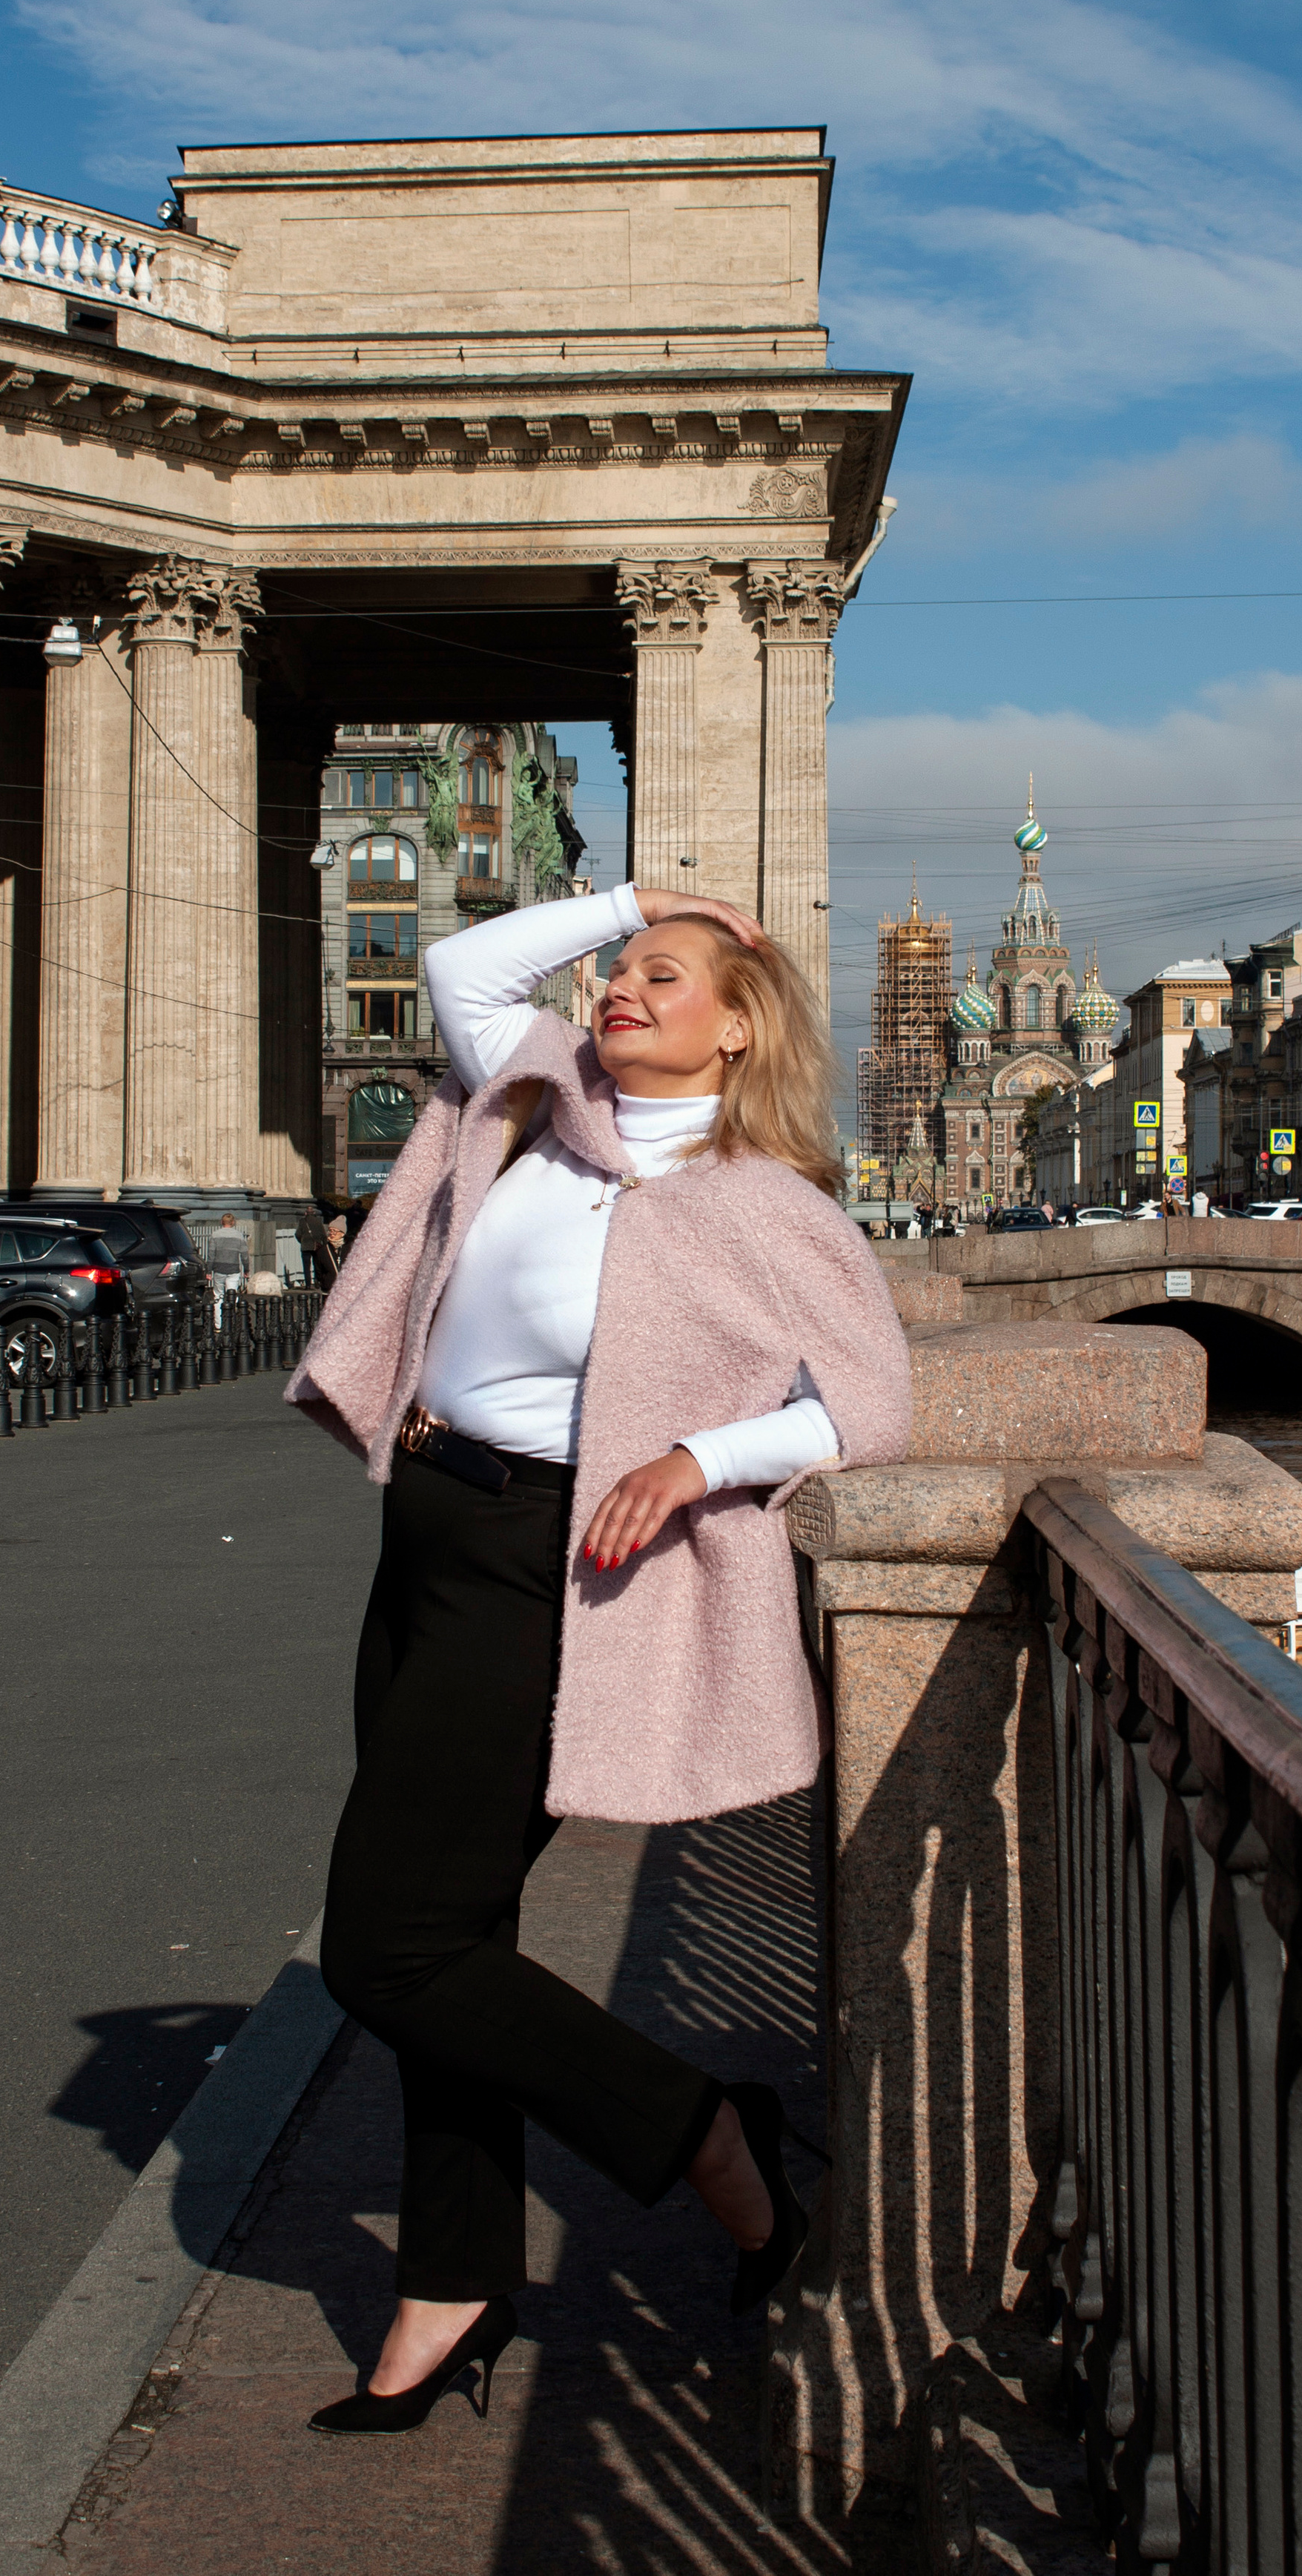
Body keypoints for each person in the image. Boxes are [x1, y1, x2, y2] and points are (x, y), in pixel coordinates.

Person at [287, 883, 911, 2436]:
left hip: (550, 1564)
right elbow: (459, 961)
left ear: (741, 1023)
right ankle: (452, 2279)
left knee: (389, 1947)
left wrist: (702, 1455)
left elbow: (867, 1402)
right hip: (426, 1529)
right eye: (617, 975)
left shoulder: (764, 1203)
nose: (621, 990)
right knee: (456, 1930)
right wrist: (642, 898)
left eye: (662, 978)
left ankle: (707, 2138)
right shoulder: (537, 1105)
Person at [205, 1211, 248, 1308]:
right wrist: (247, 1270)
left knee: (218, 1296)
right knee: (232, 1295)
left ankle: (218, 1323)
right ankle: (231, 1320)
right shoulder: (239, 1236)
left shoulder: (215, 1235)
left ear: (222, 1222)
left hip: (219, 1269)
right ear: (233, 1222)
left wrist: (208, 1271)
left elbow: (211, 1255)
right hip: (233, 1269)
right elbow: (245, 1255)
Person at [297, 1199, 328, 1290]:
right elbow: (323, 1235)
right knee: (317, 1265)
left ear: (306, 1213)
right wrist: (325, 1245)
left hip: (305, 1247)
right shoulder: (318, 1221)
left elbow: (297, 1234)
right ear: (314, 1213)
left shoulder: (302, 1221)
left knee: (306, 1266)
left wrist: (302, 1241)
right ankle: (317, 1281)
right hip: (317, 1246)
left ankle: (308, 1284)